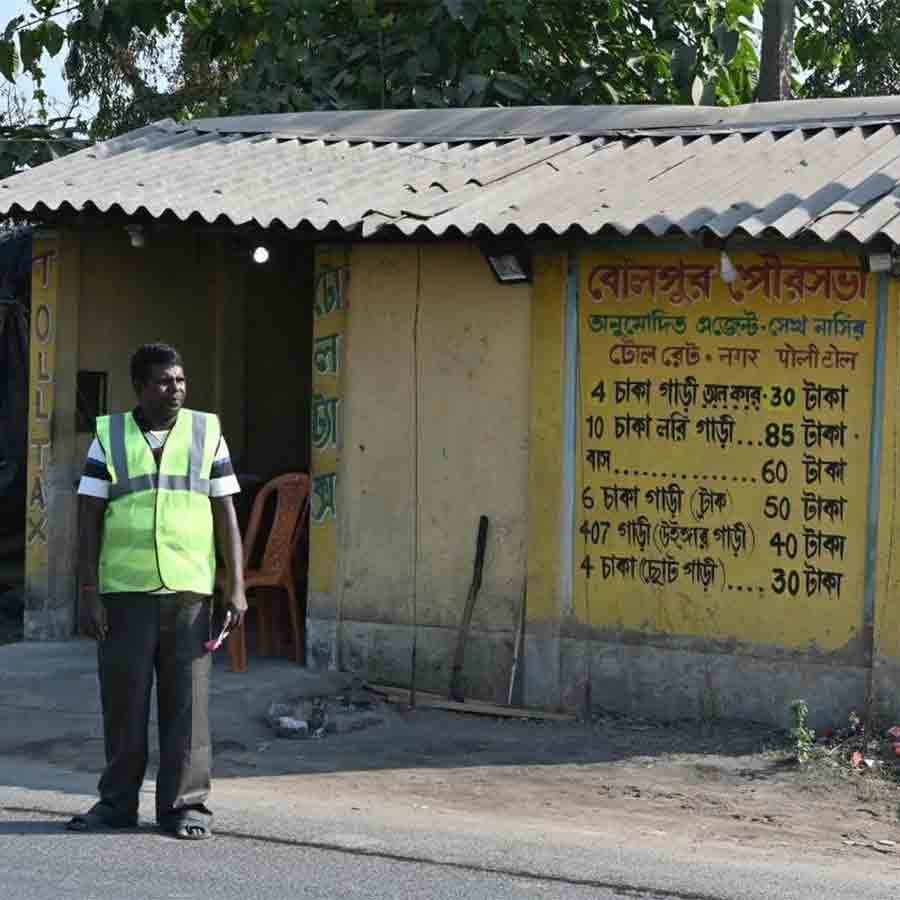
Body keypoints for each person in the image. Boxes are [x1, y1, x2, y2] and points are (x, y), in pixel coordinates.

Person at [67, 342, 247, 840]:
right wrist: (88, 590)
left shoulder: (206, 433)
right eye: (165, 382)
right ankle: (117, 804)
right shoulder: (109, 436)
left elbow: (225, 511)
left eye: (181, 381)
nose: (177, 391)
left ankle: (184, 807)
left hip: (189, 593)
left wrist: (237, 586)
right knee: (124, 705)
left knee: (187, 708)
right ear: (140, 388)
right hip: (124, 594)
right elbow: (88, 519)